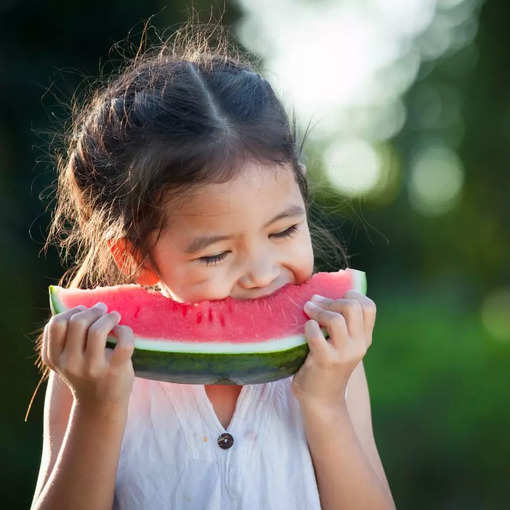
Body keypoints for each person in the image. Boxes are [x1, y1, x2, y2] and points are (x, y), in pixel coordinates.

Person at [30, 19, 395, 510]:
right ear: (136, 257)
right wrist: (98, 409)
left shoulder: (333, 357)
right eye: (216, 254)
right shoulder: (90, 366)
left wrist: (324, 403)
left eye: (284, 231)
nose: (263, 273)